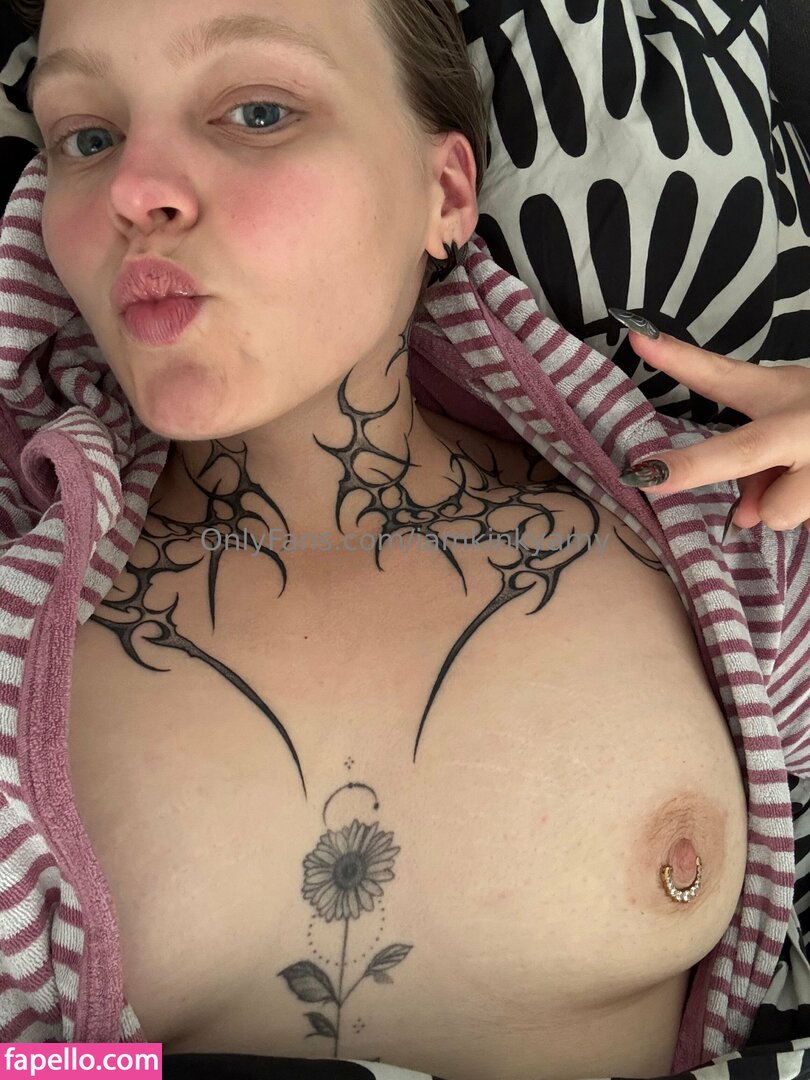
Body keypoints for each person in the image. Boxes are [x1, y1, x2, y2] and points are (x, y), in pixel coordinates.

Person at [1, 1, 809, 1079]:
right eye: (86, 136)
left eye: (257, 110)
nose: (132, 189)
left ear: (447, 194)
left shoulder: (727, 546)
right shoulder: (22, 632)